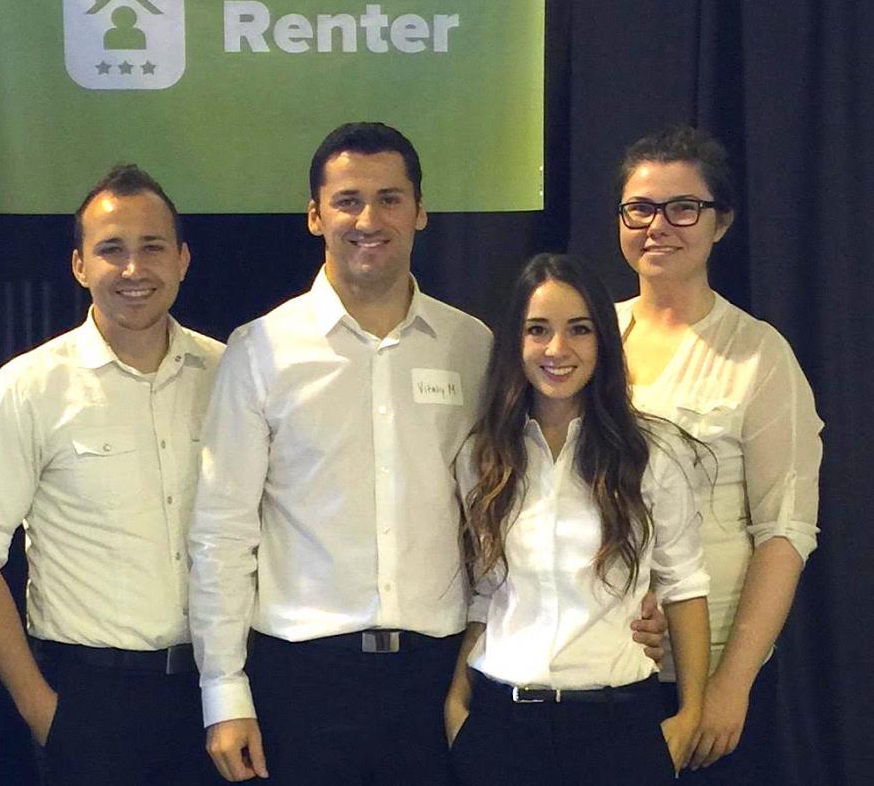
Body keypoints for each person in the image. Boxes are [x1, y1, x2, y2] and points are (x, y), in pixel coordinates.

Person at [189, 122, 668, 785]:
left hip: (437, 676)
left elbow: (532, 494)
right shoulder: (261, 350)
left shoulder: (471, 347)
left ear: (420, 211)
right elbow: (221, 532)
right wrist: (224, 690)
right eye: (348, 199)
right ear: (314, 215)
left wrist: (625, 603)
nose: (368, 218)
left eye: (390, 198)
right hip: (303, 680)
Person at [0, 164, 224, 786]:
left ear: (182, 260)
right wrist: (43, 711)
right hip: (92, 702)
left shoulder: (230, 376)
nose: (133, 269)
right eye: (110, 250)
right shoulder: (27, 388)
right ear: (79, 265)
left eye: (152, 247)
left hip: (221, 696)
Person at [444, 253, 710, 785]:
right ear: (515, 343)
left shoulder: (654, 452)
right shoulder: (483, 456)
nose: (557, 350)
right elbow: (486, 592)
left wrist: (689, 716)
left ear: (603, 342)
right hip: (500, 727)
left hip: (618, 728)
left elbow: (685, 587)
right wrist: (457, 704)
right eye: (537, 330)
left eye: (579, 330)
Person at [614, 125, 823, 782]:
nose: (658, 226)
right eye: (640, 208)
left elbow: (785, 530)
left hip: (707, 674)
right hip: (599, 666)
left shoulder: (759, 354)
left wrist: (730, 685)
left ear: (721, 222)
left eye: (684, 208)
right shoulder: (585, 342)